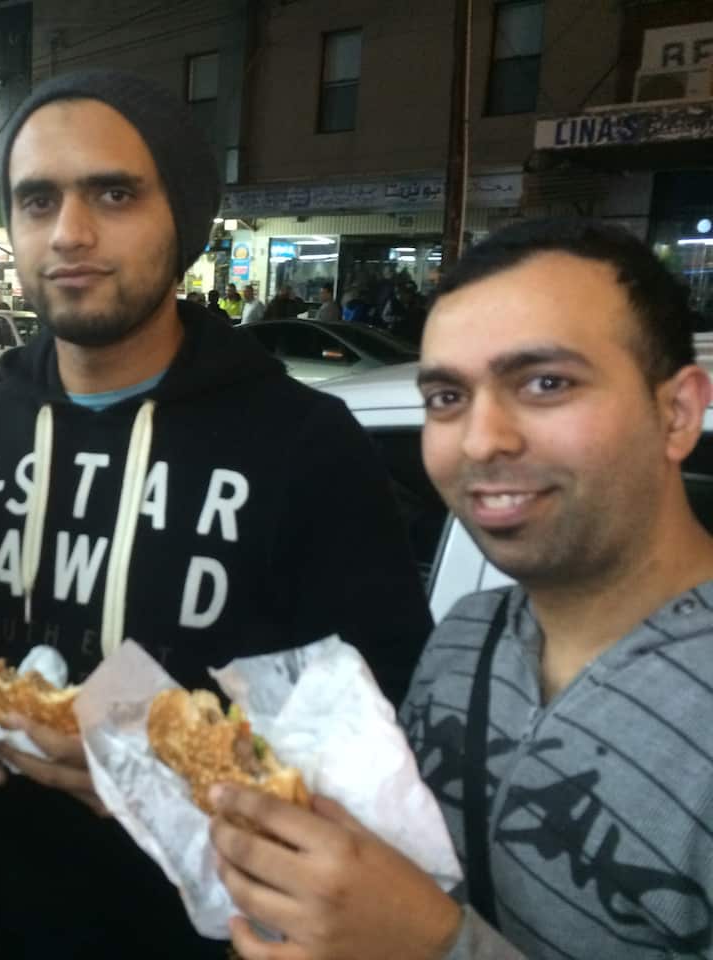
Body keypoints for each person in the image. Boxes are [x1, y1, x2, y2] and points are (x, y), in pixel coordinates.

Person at [0, 68, 431, 960]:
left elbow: (385, 717)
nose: (70, 232)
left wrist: (168, 773)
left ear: (184, 219)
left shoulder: (303, 442)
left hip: (212, 934)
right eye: (36, 199)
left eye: (114, 192)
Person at [209, 218, 713, 960]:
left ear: (676, 412)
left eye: (546, 383)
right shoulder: (467, 638)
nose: (481, 440)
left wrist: (438, 947)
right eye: (447, 397)